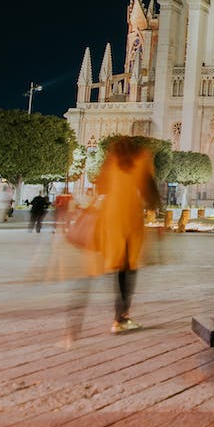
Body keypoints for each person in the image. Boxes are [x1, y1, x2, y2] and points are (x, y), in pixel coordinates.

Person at [96, 137, 161, 333]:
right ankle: (122, 316)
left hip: (111, 218)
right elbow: (150, 192)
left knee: (118, 267)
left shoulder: (112, 161)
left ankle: (120, 316)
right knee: (129, 268)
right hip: (130, 217)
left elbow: (101, 186)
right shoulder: (142, 159)